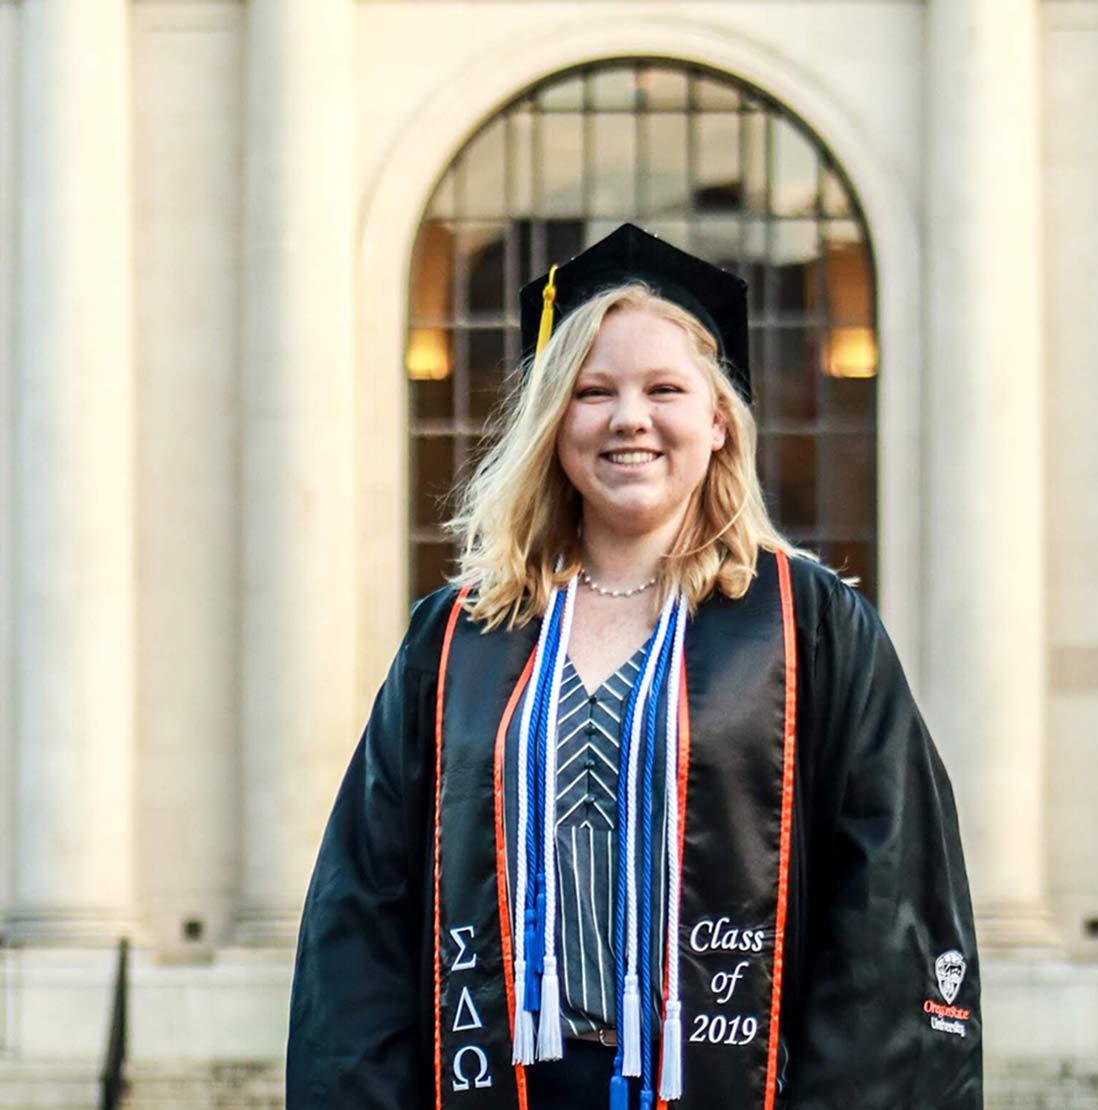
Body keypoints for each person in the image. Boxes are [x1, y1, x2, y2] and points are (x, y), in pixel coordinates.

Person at [286, 223, 982, 1109]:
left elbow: (886, 906)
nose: (629, 418)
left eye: (665, 389)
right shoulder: (461, 635)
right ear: (553, 423)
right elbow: (364, 907)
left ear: (720, 419)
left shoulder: (811, 628)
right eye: (591, 392)